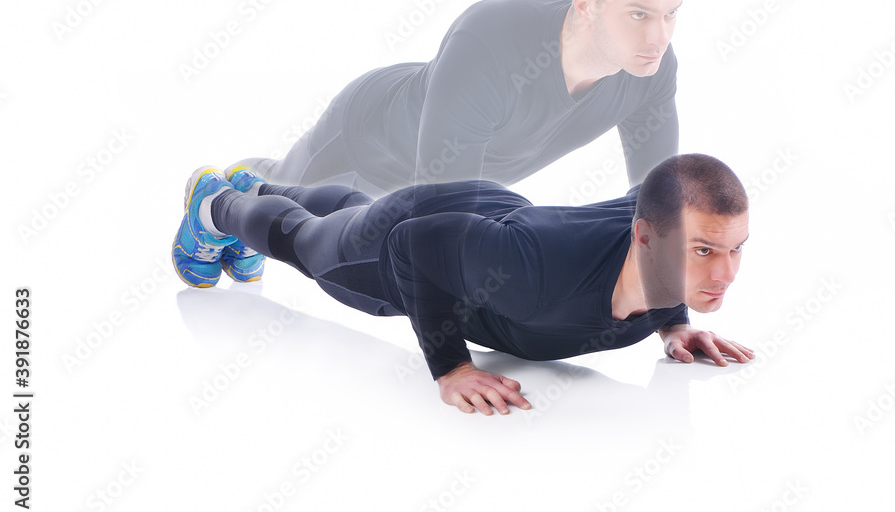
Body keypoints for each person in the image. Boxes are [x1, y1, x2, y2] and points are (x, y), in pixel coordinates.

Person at [172, 153, 755, 415]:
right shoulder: (537, 274)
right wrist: (452, 368)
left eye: (734, 250)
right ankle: (217, 205)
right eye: (704, 251)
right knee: (312, 245)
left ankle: (255, 186)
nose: (724, 275)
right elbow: (413, 245)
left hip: (487, 219)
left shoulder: (660, 245)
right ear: (646, 239)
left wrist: (674, 324)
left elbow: (657, 190)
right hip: (421, 245)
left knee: (349, 211)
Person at [231, 0, 684, 197]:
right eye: (639, 14)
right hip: (367, 140)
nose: (659, 36)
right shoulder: (492, 39)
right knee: (277, 201)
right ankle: (226, 190)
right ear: (585, 3)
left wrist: (672, 322)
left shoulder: (651, 68)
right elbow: (447, 217)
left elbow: (655, 204)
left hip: (444, 177)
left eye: (670, 14)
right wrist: (452, 358)